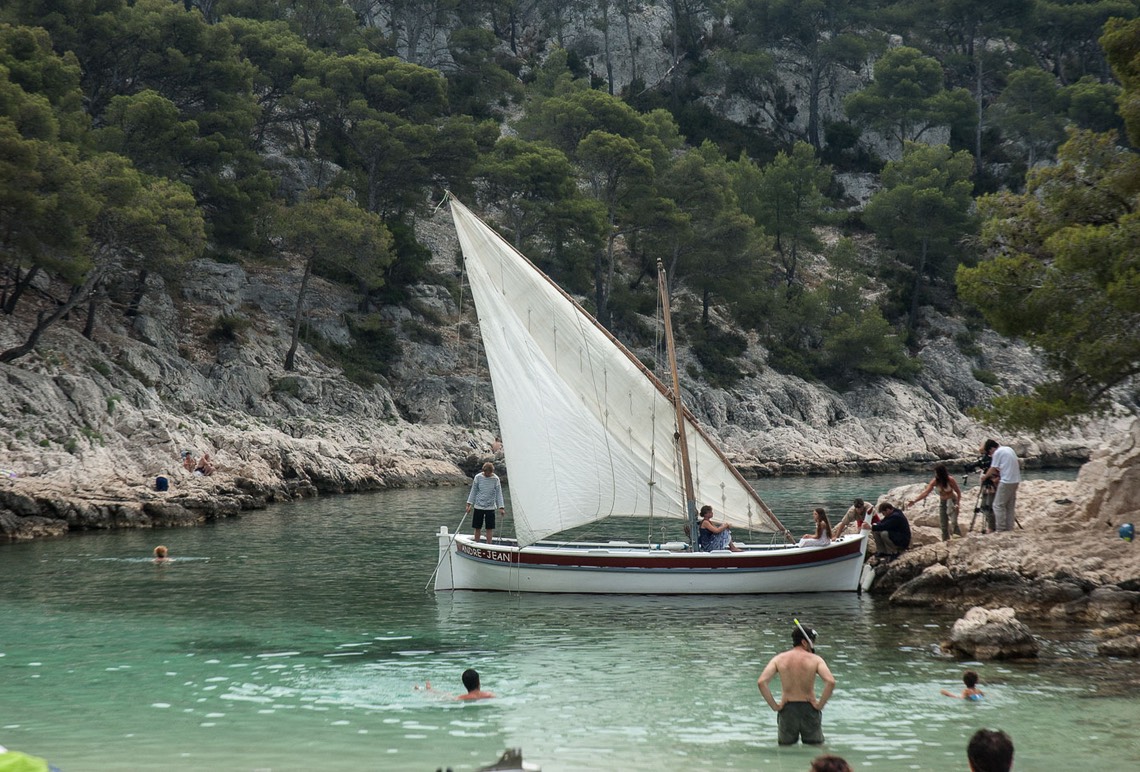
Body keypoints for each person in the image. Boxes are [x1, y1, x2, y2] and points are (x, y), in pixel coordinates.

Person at [757, 623, 835, 746]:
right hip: (809, 708)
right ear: (804, 642)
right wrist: (820, 705)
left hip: (787, 709)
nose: (813, 645)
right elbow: (830, 682)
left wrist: (775, 706)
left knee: (785, 749)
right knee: (815, 748)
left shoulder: (779, 659)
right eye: (812, 642)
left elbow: (762, 682)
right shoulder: (815, 659)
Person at [907, 463, 963, 541]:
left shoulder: (950, 480)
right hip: (943, 502)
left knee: (954, 522)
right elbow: (926, 492)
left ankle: (958, 539)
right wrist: (915, 501)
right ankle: (945, 541)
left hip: (952, 501)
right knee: (943, 524)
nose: (935, 474)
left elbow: (958, 492)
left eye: (936, 473)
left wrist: (957, 504)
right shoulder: (935, 481)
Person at [981, 439, 1021, 532]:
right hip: (1015, 480)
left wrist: (985, 476)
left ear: (991, 449)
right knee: (1010, 506)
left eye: (989, 453)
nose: (990, 455)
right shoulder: (1008, 449)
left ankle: (1000, 529)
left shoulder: (997, 453)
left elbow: (993, 468)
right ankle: (1009, 528)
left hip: (1006, 481)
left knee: (997, 505)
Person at [466, 462, 506, 544]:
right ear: (484, 471)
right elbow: (473, 491)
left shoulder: (496, 479)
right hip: (478, 506)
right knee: (477, 527)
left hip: (490, 507)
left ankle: (489, 544)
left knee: (489, 528)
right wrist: (469, 504)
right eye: (487, 473)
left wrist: (501, 507)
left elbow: (499, 493)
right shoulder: (478, 477)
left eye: (490, 473)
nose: (488, 475)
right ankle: (476, 543)